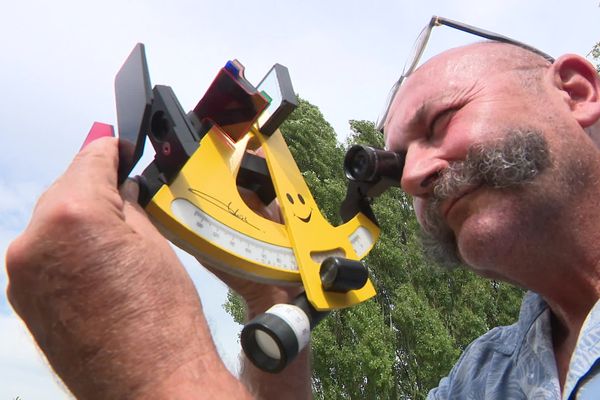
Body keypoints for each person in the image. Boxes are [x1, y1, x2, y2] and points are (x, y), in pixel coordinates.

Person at [5, 25, 600, 400]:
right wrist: (275, 298)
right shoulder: (487, 375)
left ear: (574, 91)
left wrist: (157, 375)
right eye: (395, 167)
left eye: (441, 123)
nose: (417, 174)